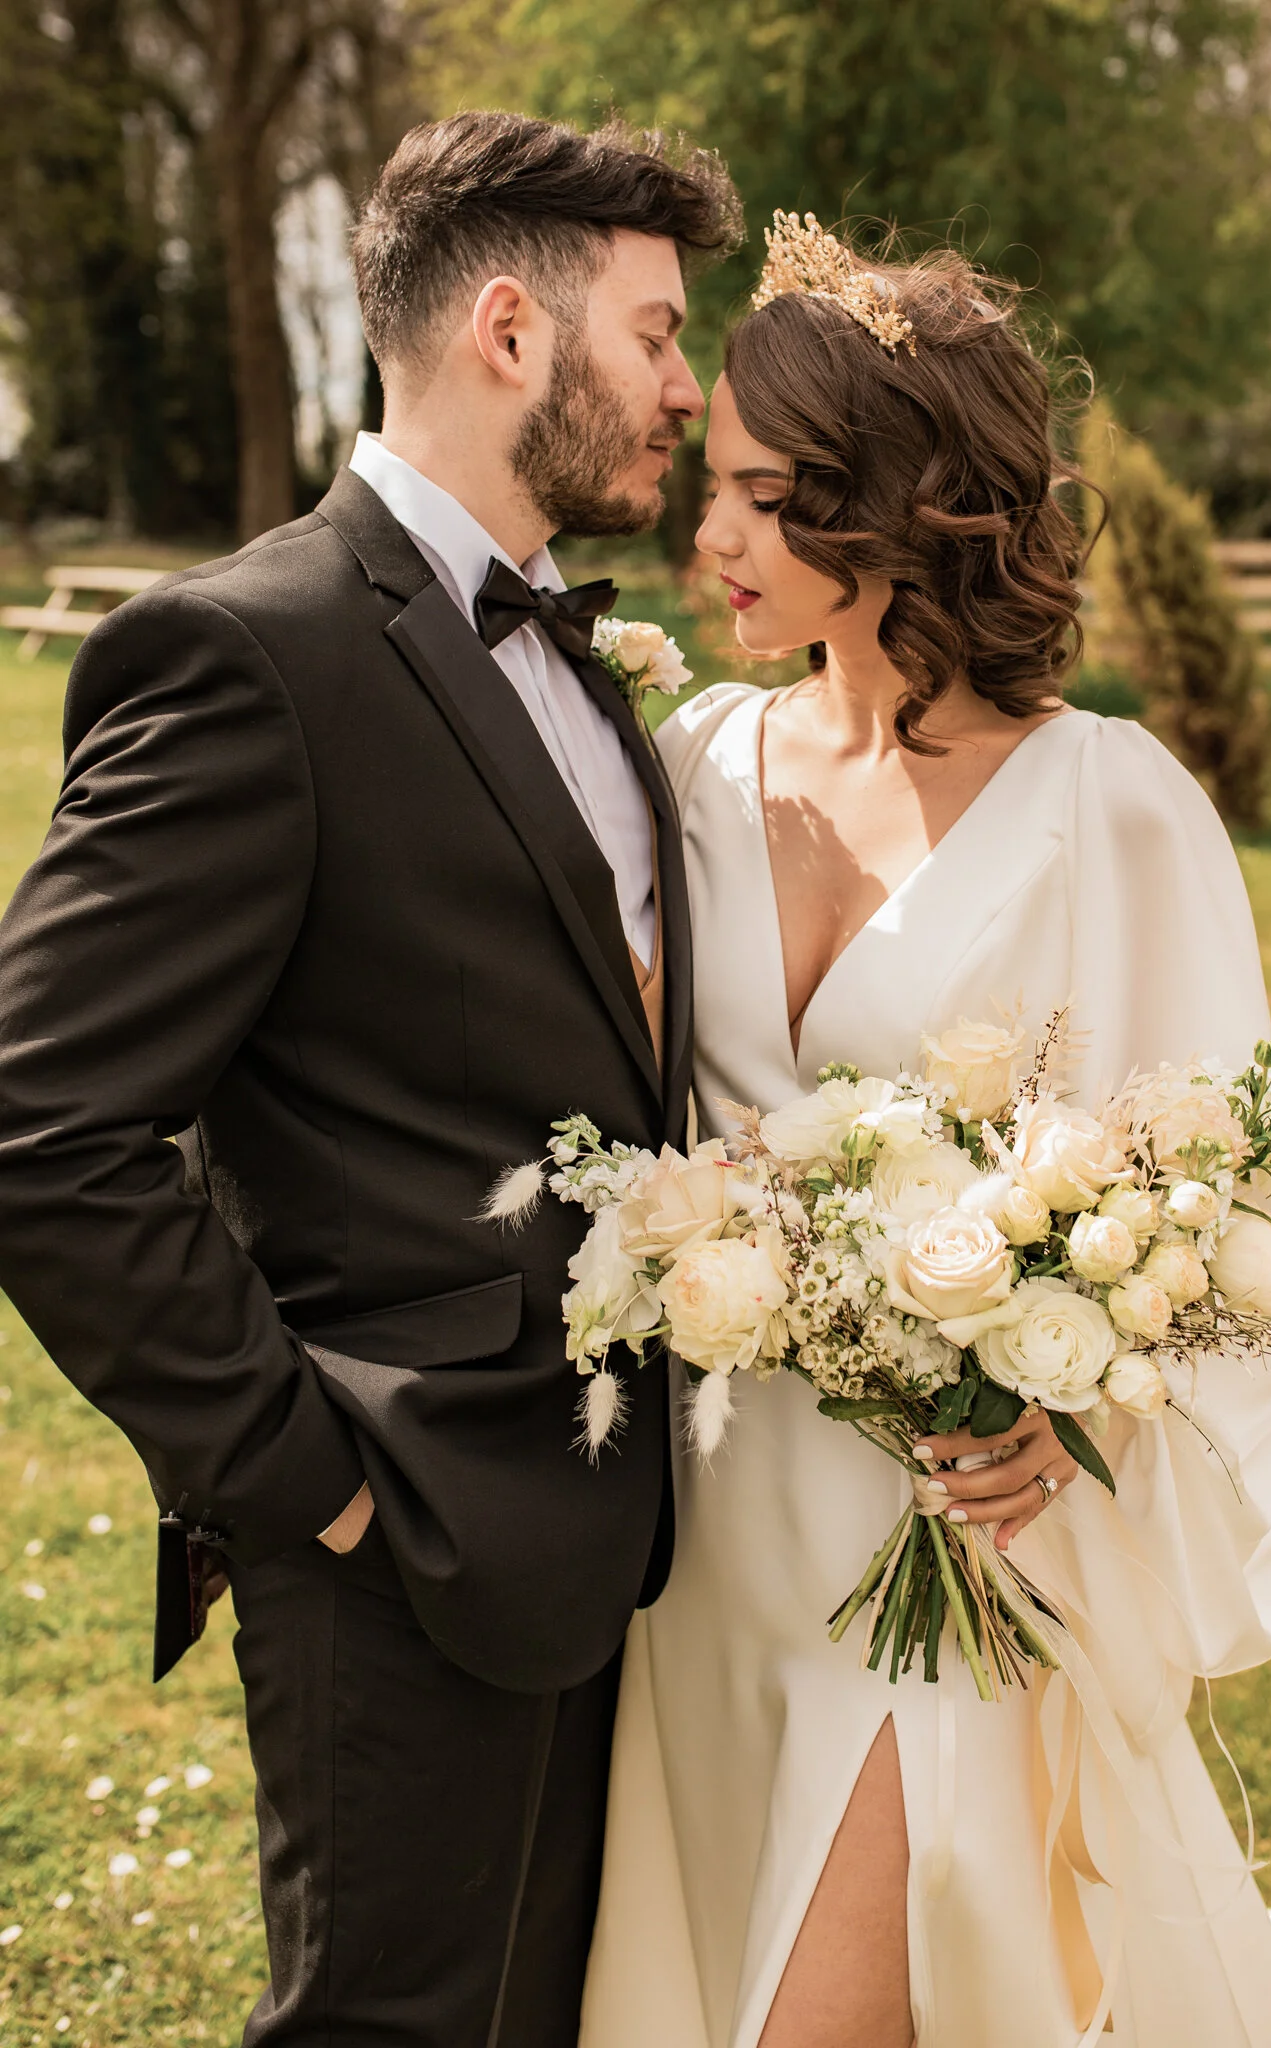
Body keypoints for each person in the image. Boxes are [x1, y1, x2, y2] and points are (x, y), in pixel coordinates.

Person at [0, 111, 739, 2047]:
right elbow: (41, 1124)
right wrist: (305, 1488)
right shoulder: (248, 653)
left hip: (605, 1526)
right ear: (513, 329)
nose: (686, 386)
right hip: (400, 1531)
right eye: (656, 334)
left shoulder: (571, 649)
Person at [579, 219, 1271, 2048]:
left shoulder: (1117, 809)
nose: (713, 540)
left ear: (905, 506)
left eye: (769, 500)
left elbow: (1221, 1211)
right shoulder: (688, 767)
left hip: (953, 1547)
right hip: (716, 1538)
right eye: (718, 488)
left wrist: (1072, 1411)